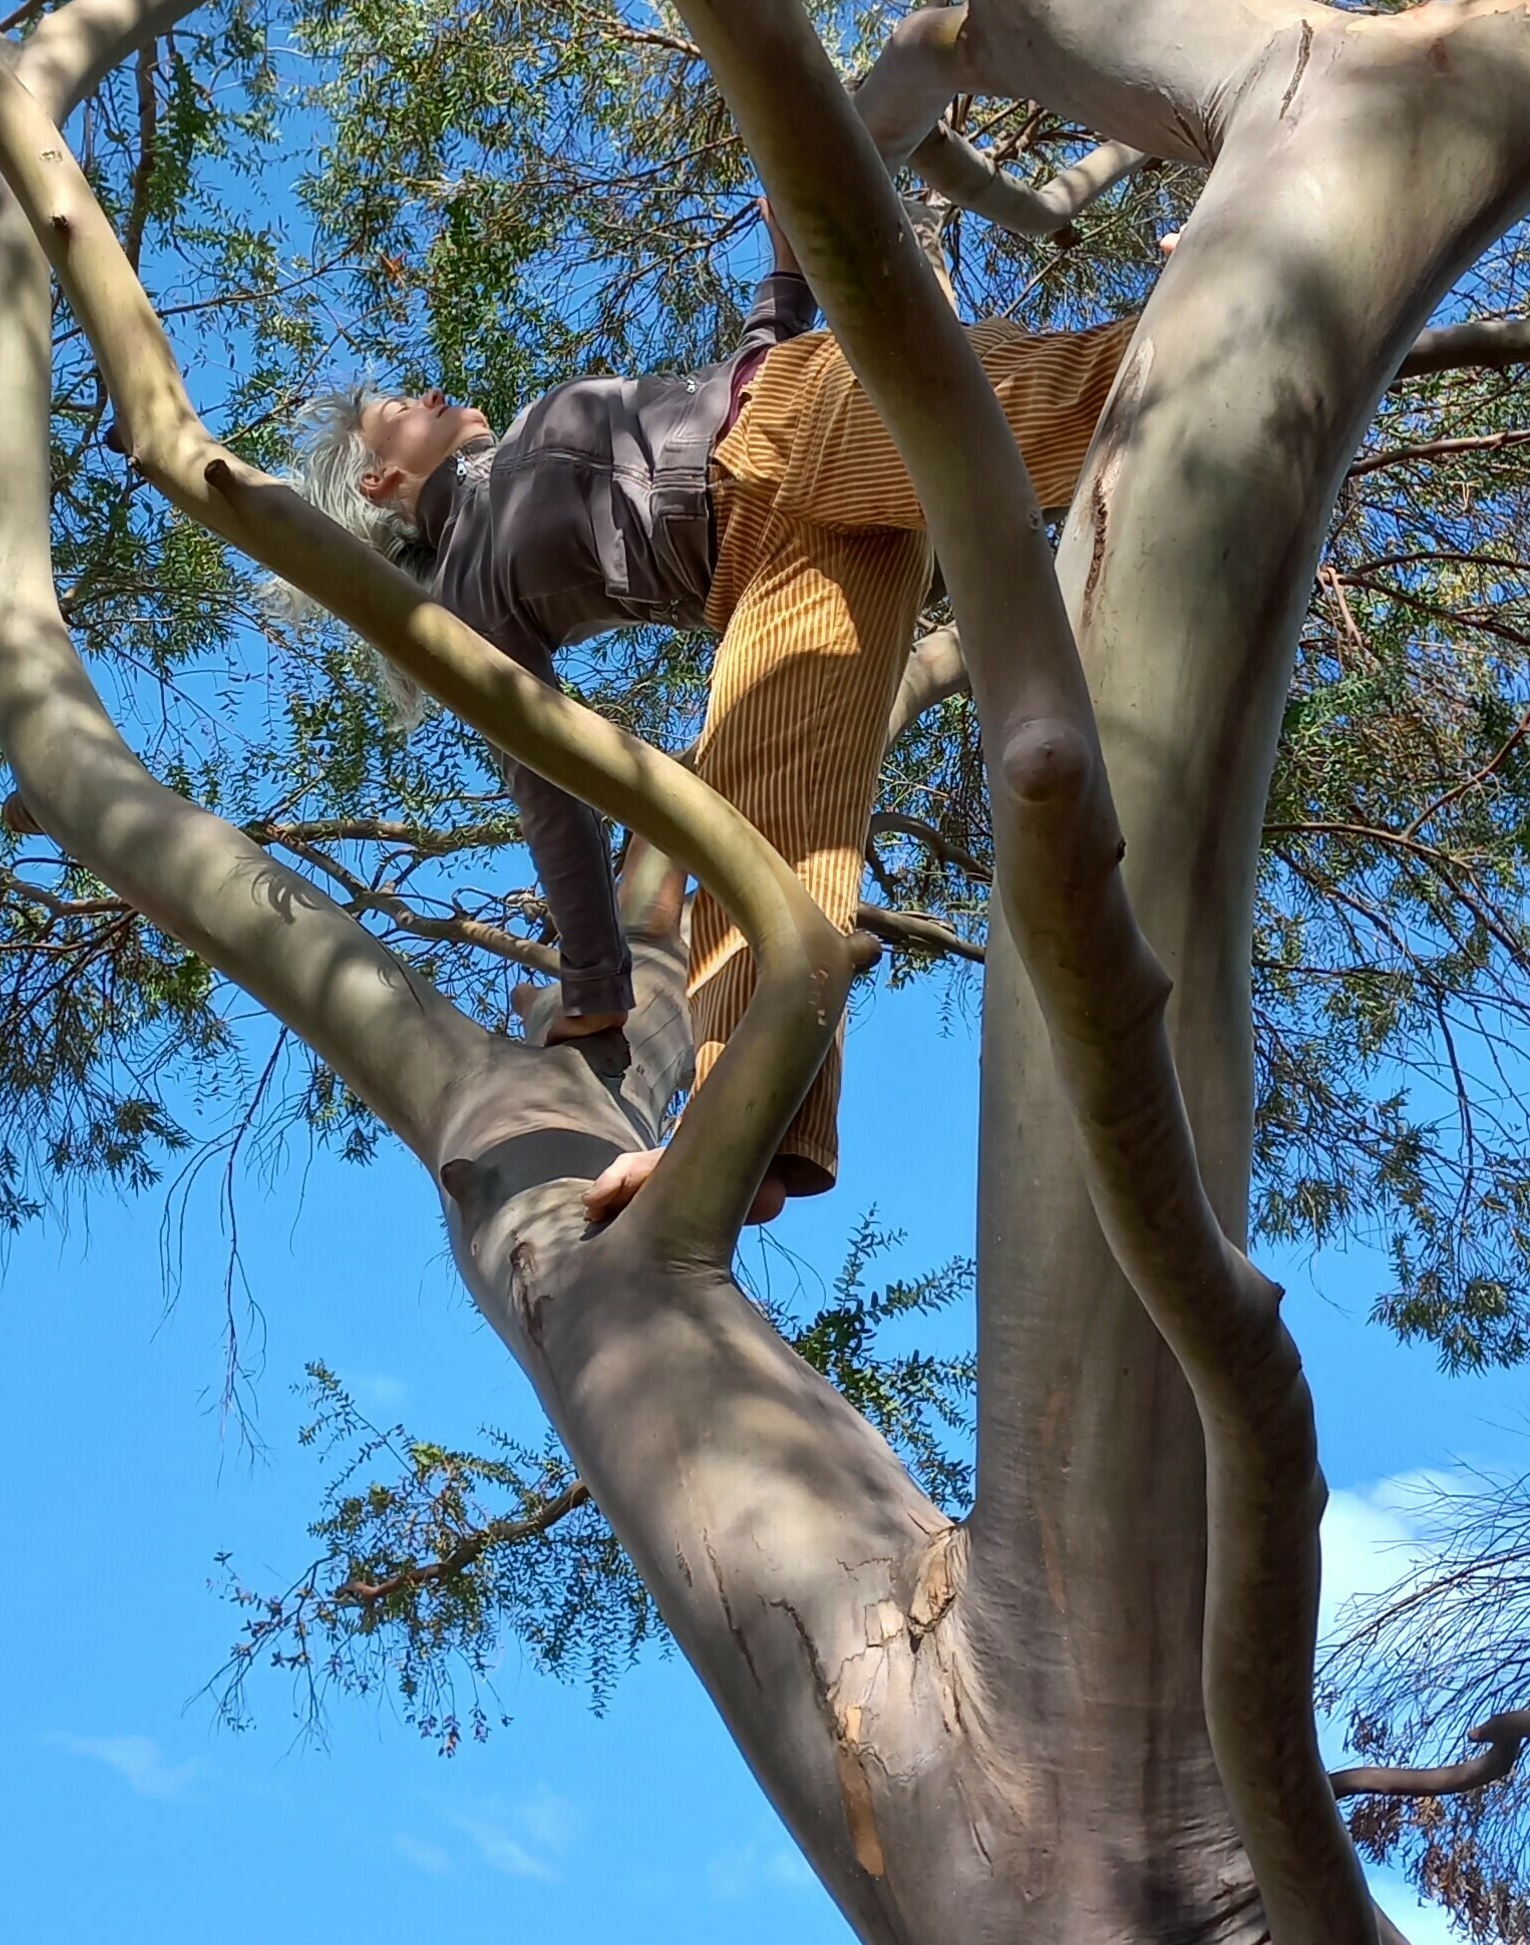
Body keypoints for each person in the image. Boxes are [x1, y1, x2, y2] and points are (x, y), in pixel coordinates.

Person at [295, 238, 1129, 1217]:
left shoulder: (524, 435)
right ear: (381, 483)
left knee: (1025, 406)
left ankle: (1204, 341)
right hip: (765, 575)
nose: (419, 394)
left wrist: (786, 270)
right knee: (759, 837)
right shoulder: (471, 594)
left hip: (782, 416)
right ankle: (747, 1134)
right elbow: (546, 779)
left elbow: (724, 384)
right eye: (391, 413)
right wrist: (595, 980)